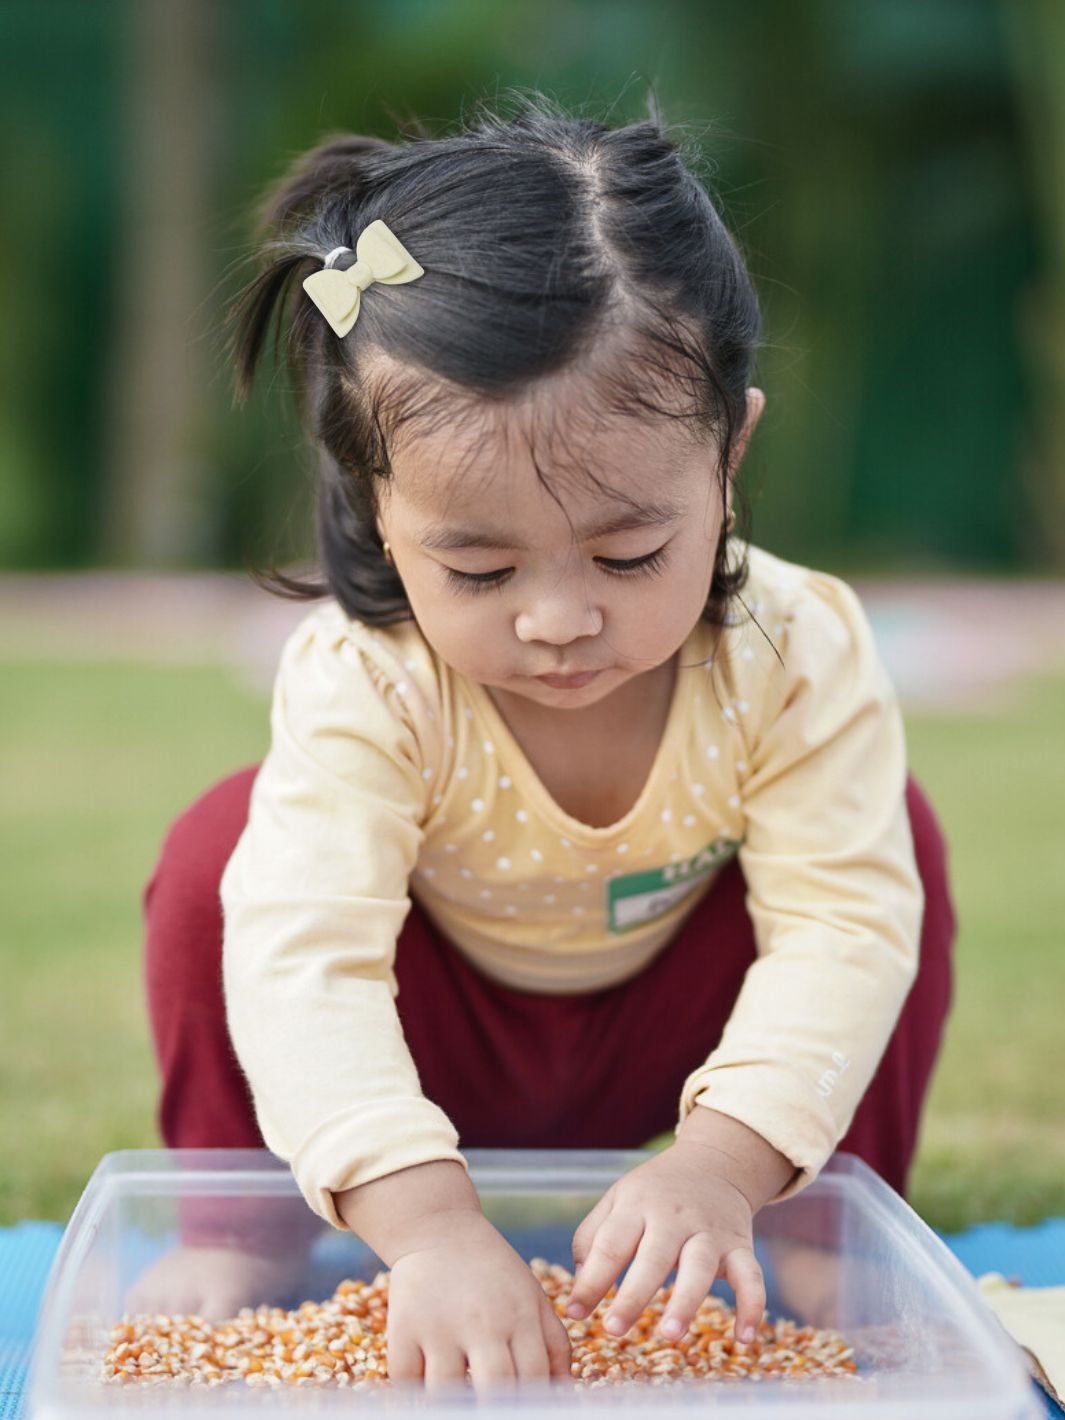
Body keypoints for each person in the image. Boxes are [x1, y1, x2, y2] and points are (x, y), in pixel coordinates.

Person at [142, 92, 956, 1391]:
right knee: (217, 859)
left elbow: (842, 928)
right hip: (437, 1030)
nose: (563, 619)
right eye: (477, 566)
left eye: (632, 553)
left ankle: (812, 1229)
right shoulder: (372, 678)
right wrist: (423, 1228)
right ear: (378, 507)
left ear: (730, 452)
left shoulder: (798, 650)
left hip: (680, 1032)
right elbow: (307, 960)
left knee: (891, 844)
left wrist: (721, 1165)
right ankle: (236, 1227)